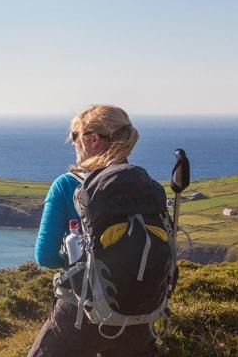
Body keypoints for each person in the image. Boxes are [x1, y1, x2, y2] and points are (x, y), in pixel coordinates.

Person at [27, 104, 158, 357]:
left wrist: (76, 256)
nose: (73, 143)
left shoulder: (67, 185)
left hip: (82, 312)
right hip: (141, 310)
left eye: (75, 136)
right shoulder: (144, 184)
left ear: (93, 140)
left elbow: (45, 257)